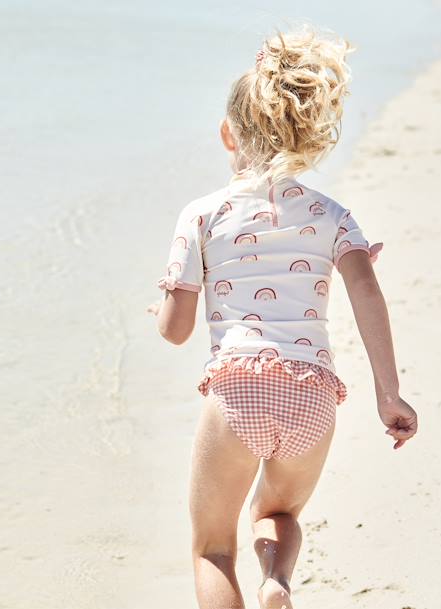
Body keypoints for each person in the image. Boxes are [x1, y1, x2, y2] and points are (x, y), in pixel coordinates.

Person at [147, 23, 418, 609]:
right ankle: (278, 581)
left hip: (238, 390)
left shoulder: (201, 215)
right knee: (278, 511)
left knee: (211, 548)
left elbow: (176, 330)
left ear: (228, 134)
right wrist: (388, 394)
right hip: (312, 395)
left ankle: (256, 585)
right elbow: (367, 292)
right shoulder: (333, 215)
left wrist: (160, 305)